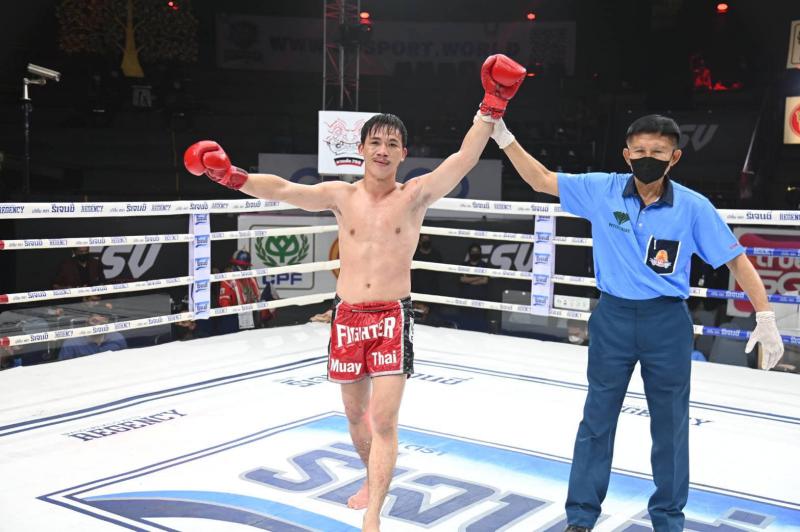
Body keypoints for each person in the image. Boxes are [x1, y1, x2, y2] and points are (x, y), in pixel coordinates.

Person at [183, 53, 526, 532]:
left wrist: (491, 106)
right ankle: (371, 478)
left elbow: (464, 158)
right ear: (361, 149)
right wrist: (232, 176)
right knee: (353, 414)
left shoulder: (415, 196)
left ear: (403, 154)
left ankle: (373, 515)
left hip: (391, 317)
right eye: (376, 142)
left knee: (383, 421)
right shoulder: (341, 196)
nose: (383, 150)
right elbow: (282, 190)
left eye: (392, 144)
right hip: (346, 316)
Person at [488, 113, 784, 532]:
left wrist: (766, 315)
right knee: (597, 419)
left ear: (674, 157)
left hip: (667, 322)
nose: (648, 157)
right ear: (626, 155)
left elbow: (736, 258)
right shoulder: (601, 189)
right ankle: (581, 518)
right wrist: (503, 135)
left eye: (658, 152)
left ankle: (668, 520)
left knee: (671, 425)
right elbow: (540, 179)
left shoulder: (693, 207)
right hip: (612, 317)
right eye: (640, 150)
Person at [216, 250, 262, 335]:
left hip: (250, 314)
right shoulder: (228, 279)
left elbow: (258, 296)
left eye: (246, 266)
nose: (244, 268)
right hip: (233, 316)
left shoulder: (251, 277)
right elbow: (224, 303)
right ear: (235, 264)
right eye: (242, 266)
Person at [58, 309, 127, 360]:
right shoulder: (71, 344)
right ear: (86, 322)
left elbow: (124, 360)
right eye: (95, 321)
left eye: (102, 322)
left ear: (107, 322)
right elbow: (64, 369)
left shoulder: (117, 338)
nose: (98, 325)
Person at [457, 242, 492, 332]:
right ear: (469, 253)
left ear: (480, 253)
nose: (475, 253)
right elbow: (462, 279)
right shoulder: (464, 265)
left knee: (479, 328)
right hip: (465, 300)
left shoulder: (484, 265)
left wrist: (469, 280)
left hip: (480, 301)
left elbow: (485, 280)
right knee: (464, 327)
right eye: (473, 251)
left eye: (477, 251)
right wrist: (479, 277)